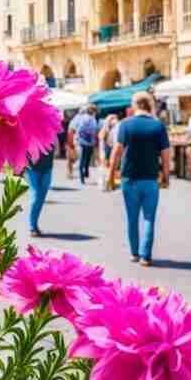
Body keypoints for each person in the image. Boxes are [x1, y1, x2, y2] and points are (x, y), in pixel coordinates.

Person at [108, 93, 171, 267]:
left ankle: (135, 253)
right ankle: (146, 256)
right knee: (149, 218)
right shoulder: (158, 126)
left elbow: (117, 152)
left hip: (129, 178)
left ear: (135, 105)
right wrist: (166, 177)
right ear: (150, 105)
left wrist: (111, 175)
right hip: (150, 178)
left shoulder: (126, 124)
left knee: (132, 217)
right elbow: (166, 156)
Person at [25, 145, 56, 237]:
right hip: (32, 168)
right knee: (35, 196)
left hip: (47, 167)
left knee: (41, 198)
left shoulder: (53, 136)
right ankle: (32, 227)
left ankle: (35, 225)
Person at [69, 105, 99, 185]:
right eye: (93, 110)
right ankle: (82, 178)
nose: (94, 112)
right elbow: (75, 129)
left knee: (86, 159)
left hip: (87, 142)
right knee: (83, 159)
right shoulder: (82, 118)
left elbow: (94, 131)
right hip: (82, 142)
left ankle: (85, 173)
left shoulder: (93, 119)